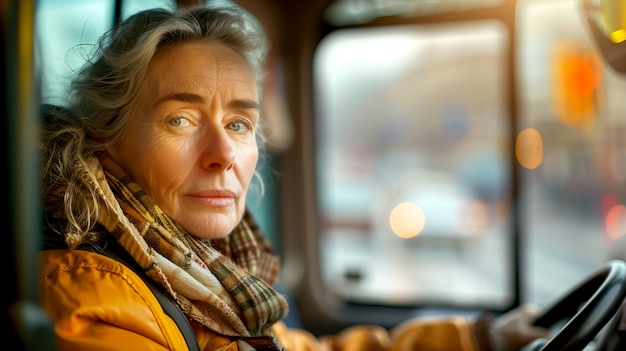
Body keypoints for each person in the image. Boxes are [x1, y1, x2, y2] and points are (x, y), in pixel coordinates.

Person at [38, 4, 549, 351]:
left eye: (239, 124)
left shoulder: (218, 275)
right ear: (106, 141)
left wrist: (480, 337)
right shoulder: (94, 301)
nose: (223, 155)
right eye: (181, 120)